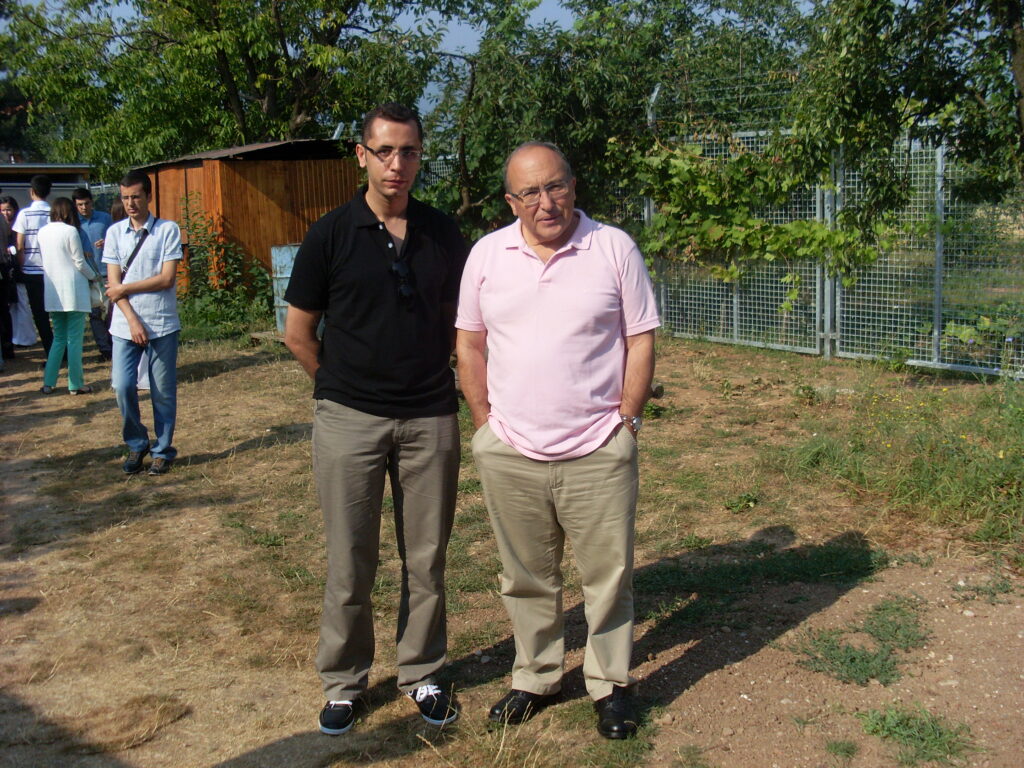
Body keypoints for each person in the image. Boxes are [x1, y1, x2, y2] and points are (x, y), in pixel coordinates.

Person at [455, 141, 660, 739]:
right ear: (510, 201)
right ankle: (537, 677)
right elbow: (469, 342)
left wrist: (627, 422)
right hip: (510, 448)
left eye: (556, 186)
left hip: (598, 446)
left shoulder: (613, 247)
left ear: (573, 185)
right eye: (530, 192)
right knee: (525, 577)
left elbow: (641, 338)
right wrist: (484, 423)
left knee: (608, 578)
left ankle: (610, 684)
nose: (546, 203)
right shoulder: (487, 255)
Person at [283, 103, 468, 736]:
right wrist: (339, 389)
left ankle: (423, 672)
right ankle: (344, 682)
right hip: (349, 419)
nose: (397, 164)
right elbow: (298, 333)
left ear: (420, 156)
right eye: (385, 151)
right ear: (361, 155)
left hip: (430, 417)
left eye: (408, 151)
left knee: (427, 558)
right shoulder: (330, 234)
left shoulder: (443, 233)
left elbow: (463, 322)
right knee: (350, 558)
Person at [102, 170, 182, 476]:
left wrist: (126, 288)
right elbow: (113, 287)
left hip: (162, 323)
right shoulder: (114, 233)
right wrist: (132, 318)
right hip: (125, 325)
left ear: (148, 196)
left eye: (136, 196)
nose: (130, 203)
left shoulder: (167, 230)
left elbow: (166, 279)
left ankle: (162, 450)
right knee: (123, 386)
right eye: (125, 197)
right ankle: (137, 443)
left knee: (162, 391)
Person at [37, 198, 95, 395]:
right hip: (73, 290)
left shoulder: (43, 231)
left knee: (59, 338)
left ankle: (49, 382)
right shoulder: (71, 231)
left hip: (53, 292)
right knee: (74, 340)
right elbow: (79, 262)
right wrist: (94, 277)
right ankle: (75, 384)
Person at [12, 175, 54, 355]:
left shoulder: (24, 214)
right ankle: (62, 348)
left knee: (39, 313)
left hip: (31, 270)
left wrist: (21, 266)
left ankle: (50, 349)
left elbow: (20, 244)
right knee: (57, 312)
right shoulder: (53, 212)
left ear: (32, 191)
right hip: (53, 269)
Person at [72, 187, 114, 361]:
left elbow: (116, 238)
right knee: (95, 314)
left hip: (106, 271)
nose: (84, 208)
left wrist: (107, 242)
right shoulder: (74, 224)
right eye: (80, 205)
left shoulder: (105, 218)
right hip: (87, 274)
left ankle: (114, 343)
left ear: (92, 202)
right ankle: (105, 349)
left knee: (112, 311)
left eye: (87, 203)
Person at [2, 196, 36, 349]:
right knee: (8, 307)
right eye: (3, 210)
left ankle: (25, 338)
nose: (6, 213)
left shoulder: (18, 227)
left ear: (14, 210)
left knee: (22, 304)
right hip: (5, 270)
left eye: (8, 209)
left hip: (18, 270)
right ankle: (13, 337)